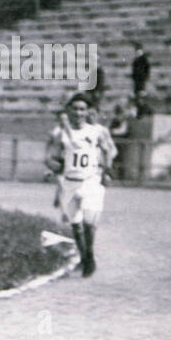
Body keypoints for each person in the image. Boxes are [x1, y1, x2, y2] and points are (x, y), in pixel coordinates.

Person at [45, 91, 116, 278]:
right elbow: (50, 155)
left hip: (90, 181)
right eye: (75, 109)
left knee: (89, 224)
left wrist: (107, 170)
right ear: (68, 110)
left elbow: (109, 150)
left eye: (82, 109)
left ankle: (89, 256)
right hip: (69, 183)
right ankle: (84, 257)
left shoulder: (97, 131)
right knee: (76, 225)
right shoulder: (59, 133)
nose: (78, 113)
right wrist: (53, 164)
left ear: (88, 112)